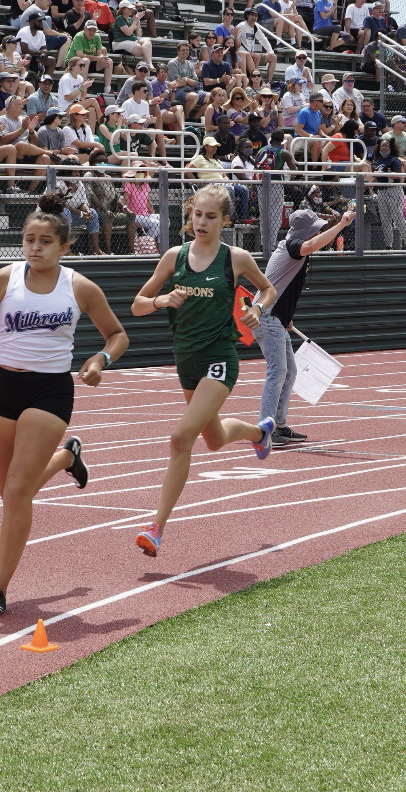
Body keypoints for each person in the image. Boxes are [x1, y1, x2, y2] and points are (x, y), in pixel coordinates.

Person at [0, 190, 129, 617]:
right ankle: (67, 457)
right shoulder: (3, 280)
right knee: (11, 495)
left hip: (50, 391)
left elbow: (118, 335)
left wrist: (100, 359)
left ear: (64, 246)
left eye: (45, 241)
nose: (35, 247)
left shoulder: (79, 287)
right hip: (4, 388)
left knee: (16, 491)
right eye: (30, 239)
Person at [130, 184, 277, 557]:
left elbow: (268, 289)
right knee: (212, 439)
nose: (202, 222)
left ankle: (156, 527)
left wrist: (257, 310)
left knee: (181, 438)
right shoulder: (173, 257)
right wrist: (163, 299)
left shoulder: (236, 258)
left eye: (211, 217)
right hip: (186, 360)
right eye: (198, 214)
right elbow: (138, 305)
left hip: (219, 356)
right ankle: (259, 434)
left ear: (225, 220)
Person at [253, 207, 354, 446]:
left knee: (289, 372)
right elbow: (311, 246)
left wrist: (286, 315)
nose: (317, 233)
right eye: (315, 230)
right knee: (277, 373)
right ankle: (265, 430)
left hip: (274, 317)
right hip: (267, 316)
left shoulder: (294, 248)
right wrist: (341, 225)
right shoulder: (292, 247)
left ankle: (280, 424)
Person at [0, 94, 52, 192]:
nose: (22, 106)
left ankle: (31, 191)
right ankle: (51, 153)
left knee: (45, 158)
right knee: (20, 145)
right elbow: (3, 140)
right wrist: (22, 129)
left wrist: (31, 131)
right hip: (10, 156)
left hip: (25, 155)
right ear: (10, 107)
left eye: (22, 104)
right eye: (19, 104)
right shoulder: (2, 119)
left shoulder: (24, 119)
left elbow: (33, 143)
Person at [185, 138, 249, 221]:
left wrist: (226, 179)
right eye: (212, 146)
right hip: (210, 185)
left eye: (216, 146)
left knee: (244, 189)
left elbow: (224, 175)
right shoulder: (200, 158)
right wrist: (196, 181)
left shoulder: (217, 161)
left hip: (222, 183)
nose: (215, 148)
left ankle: (242, 219)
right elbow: (187, 171)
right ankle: (231, 218)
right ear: (205, 147)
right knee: (229, 189)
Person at [86, 149, 136, 253]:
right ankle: (108, 250)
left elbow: (116, 197)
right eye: (98, 162)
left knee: (130, 218)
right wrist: (105, 210)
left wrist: (126, 209)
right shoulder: (89, 175)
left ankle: (132, 250)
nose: (102, 164)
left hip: (110, 212)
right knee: (106, 217)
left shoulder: (108, 178)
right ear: (92, 164)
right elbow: (92, 195)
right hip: (94, 211)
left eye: (104, 162)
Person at [372, 136, 406, 250]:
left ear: (391, 147)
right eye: (382, 146)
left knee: (397, 216)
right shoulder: (379, 161)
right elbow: (377, 178)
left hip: (393, 190)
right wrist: (367, 183)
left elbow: (398, 174)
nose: (384, 148)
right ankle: (388, 245)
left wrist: (383, 174)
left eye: (386, 146)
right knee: (385, 219)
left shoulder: (394, 160)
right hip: (382, 191)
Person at [64, 18, 111, 95]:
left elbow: (99, 53)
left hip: (87, 64)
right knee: (85, 60)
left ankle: (107, 89)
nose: (92, 33)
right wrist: (98, 58)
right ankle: (83, 89)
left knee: (109, 61)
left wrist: (103, 57)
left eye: (94, 30)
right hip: (72, 63)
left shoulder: (97, 36)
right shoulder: (79, 36)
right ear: (84, 28)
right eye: (90, 30)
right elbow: (80, 55)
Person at [234, 8, 278, 82]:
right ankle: (254, 79)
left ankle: (269, 81)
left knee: (273, 57)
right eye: (252, 15)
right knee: (256, 56)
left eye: (256, 15)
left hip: (251, 53)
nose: (254, 17)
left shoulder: (255, 27)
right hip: (241, 54)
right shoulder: (242, 25)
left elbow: (263, 39)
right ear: (247, 16)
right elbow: (234, 39)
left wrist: (270, 51)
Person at [168, 42, 207, 121]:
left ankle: (195, 118)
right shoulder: (172, 63)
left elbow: (196, 83)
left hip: (191, 90)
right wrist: (189, 81)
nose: (185, 51)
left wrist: (185, 79)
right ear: (178, 51)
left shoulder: (190, 64)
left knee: (212, 97)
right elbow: (177, 83)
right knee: (194, 96)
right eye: (183, 50)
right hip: (176, 91)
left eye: (187, 50)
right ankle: (186, 118)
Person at [122, 161, 160, 240]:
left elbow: (148, 202)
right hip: (134, 215)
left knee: (165, 220)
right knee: (157, 224)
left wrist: (153, 215)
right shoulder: (129, 185)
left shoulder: (145, 185)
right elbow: (125, 204)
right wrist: (130, 218)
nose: (140, 173)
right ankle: (146, 243)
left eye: (142, 171)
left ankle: (159, 244)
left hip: (145, 214)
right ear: (133, 173)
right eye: (138, 171)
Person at [111, 0, 153, 71]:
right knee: (144, 51)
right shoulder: (119, 18)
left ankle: (148, 64)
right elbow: (128, 33)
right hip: (119, 42)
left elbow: (139, 34)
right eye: (129, 8)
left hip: (130, 40)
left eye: (131, 8)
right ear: (123, 9)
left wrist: (138, 20)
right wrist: (135, 21)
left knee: (147, 41)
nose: (131, 10)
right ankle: (144, 70)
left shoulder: (130, 19)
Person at [18, 10, 57, 76]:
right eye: (39, 21)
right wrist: (39, 52)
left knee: (52, 60)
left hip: (34, 59)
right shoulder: (23, 31)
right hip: (20, 58)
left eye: (41, 21)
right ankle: (22, 80)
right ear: (31, 21)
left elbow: (44, 49)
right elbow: (25, 50)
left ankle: (45, 82)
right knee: (27, 57)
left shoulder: (41, 33)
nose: (41, 23)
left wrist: (43, 55)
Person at [293, 91, 325, 163]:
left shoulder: (318, 113)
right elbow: (298, 130)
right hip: (300, 139)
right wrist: (311, 136)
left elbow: (318, 129)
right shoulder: (304, 112)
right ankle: (314, 168)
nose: (323, 103)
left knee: (330, 143)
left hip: (312, 139)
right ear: (315, 102)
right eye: (321, 101)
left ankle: (325, 168)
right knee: (316, 142)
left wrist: (324, 136)